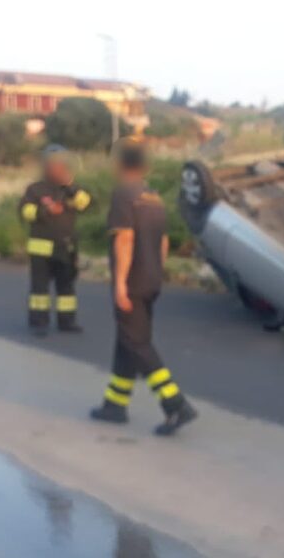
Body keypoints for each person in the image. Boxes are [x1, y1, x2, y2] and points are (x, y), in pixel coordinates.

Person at [90, 136, 197, 436]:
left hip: (133, 281)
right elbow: (163, 242)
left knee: (138, 344)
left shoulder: (124, 196)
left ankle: (175, 404)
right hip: (151, 279)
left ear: (120, 164)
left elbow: (124, 238)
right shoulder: (154, 197)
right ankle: (115, 405)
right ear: (145, 165)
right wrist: (156, 273)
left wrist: (121, 283)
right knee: (128, 341)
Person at [18, 144, 92, 336]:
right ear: (45, 167)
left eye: (61, 165)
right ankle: (39, 323)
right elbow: (25, 212)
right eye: (53, 165)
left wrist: (70, 186)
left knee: (66, 287)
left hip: (65, 247)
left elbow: (84, 203)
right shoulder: (35, 190)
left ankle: (67, 322)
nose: (57, 169)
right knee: (39, 290)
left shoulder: (71, 190)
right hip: (41, 248)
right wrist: (44, 211)